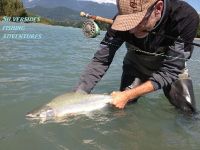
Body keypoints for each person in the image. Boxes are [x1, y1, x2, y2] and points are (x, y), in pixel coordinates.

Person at [74, 0, 199, 113]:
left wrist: (128, 95)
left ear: (158, 8)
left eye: (137, 22)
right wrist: (78, 95)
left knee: (188, 113)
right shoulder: (119, 22)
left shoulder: (186, 17)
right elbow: (100, 61)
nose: (131, 30)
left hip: (172, 67)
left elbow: (171, 71)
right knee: (122, 108)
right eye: (127, 23)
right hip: (135, 64)